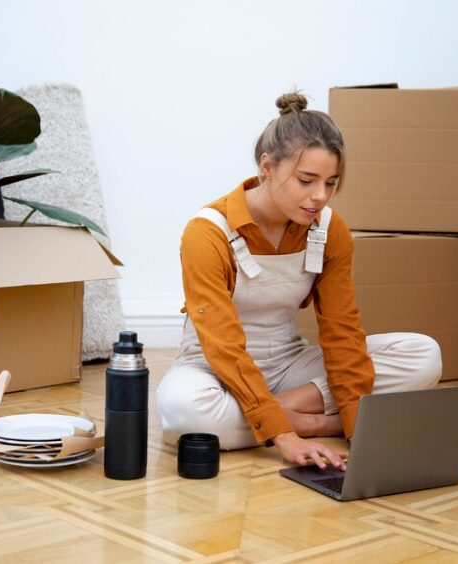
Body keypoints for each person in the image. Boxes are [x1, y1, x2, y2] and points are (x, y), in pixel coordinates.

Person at [156, 92, 442, 470]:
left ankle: (264, 416)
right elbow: (221, 343)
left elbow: (342, 329)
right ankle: (314, 422)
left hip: (289, 363)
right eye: (306, 180)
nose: (319, 196)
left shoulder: (329, 229)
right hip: (213, 366)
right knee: (184, 412)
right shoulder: (207, 233)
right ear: (267, 167)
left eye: (331, 183)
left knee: (422, 355)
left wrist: (360, 430)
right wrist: (288, 434)